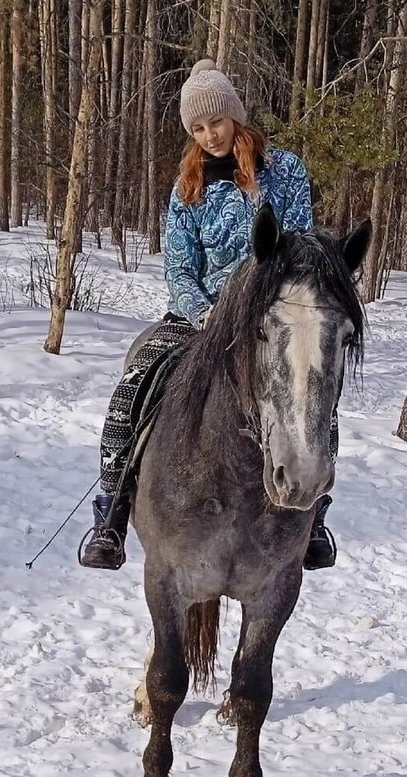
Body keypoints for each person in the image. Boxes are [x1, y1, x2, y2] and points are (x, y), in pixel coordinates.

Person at [79, 58, 337, 572]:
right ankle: (111, 510)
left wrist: (268, 304)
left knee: (315, 387)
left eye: (215, 122)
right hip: (200, 316)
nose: (209, 135)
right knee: (135, 379)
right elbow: (179, 266)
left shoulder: (284, 170)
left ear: (235, 116)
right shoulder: (186, 187)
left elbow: (301, 247)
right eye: (197, 127)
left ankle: (314, 512)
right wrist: (205, 310)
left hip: (273, 314)